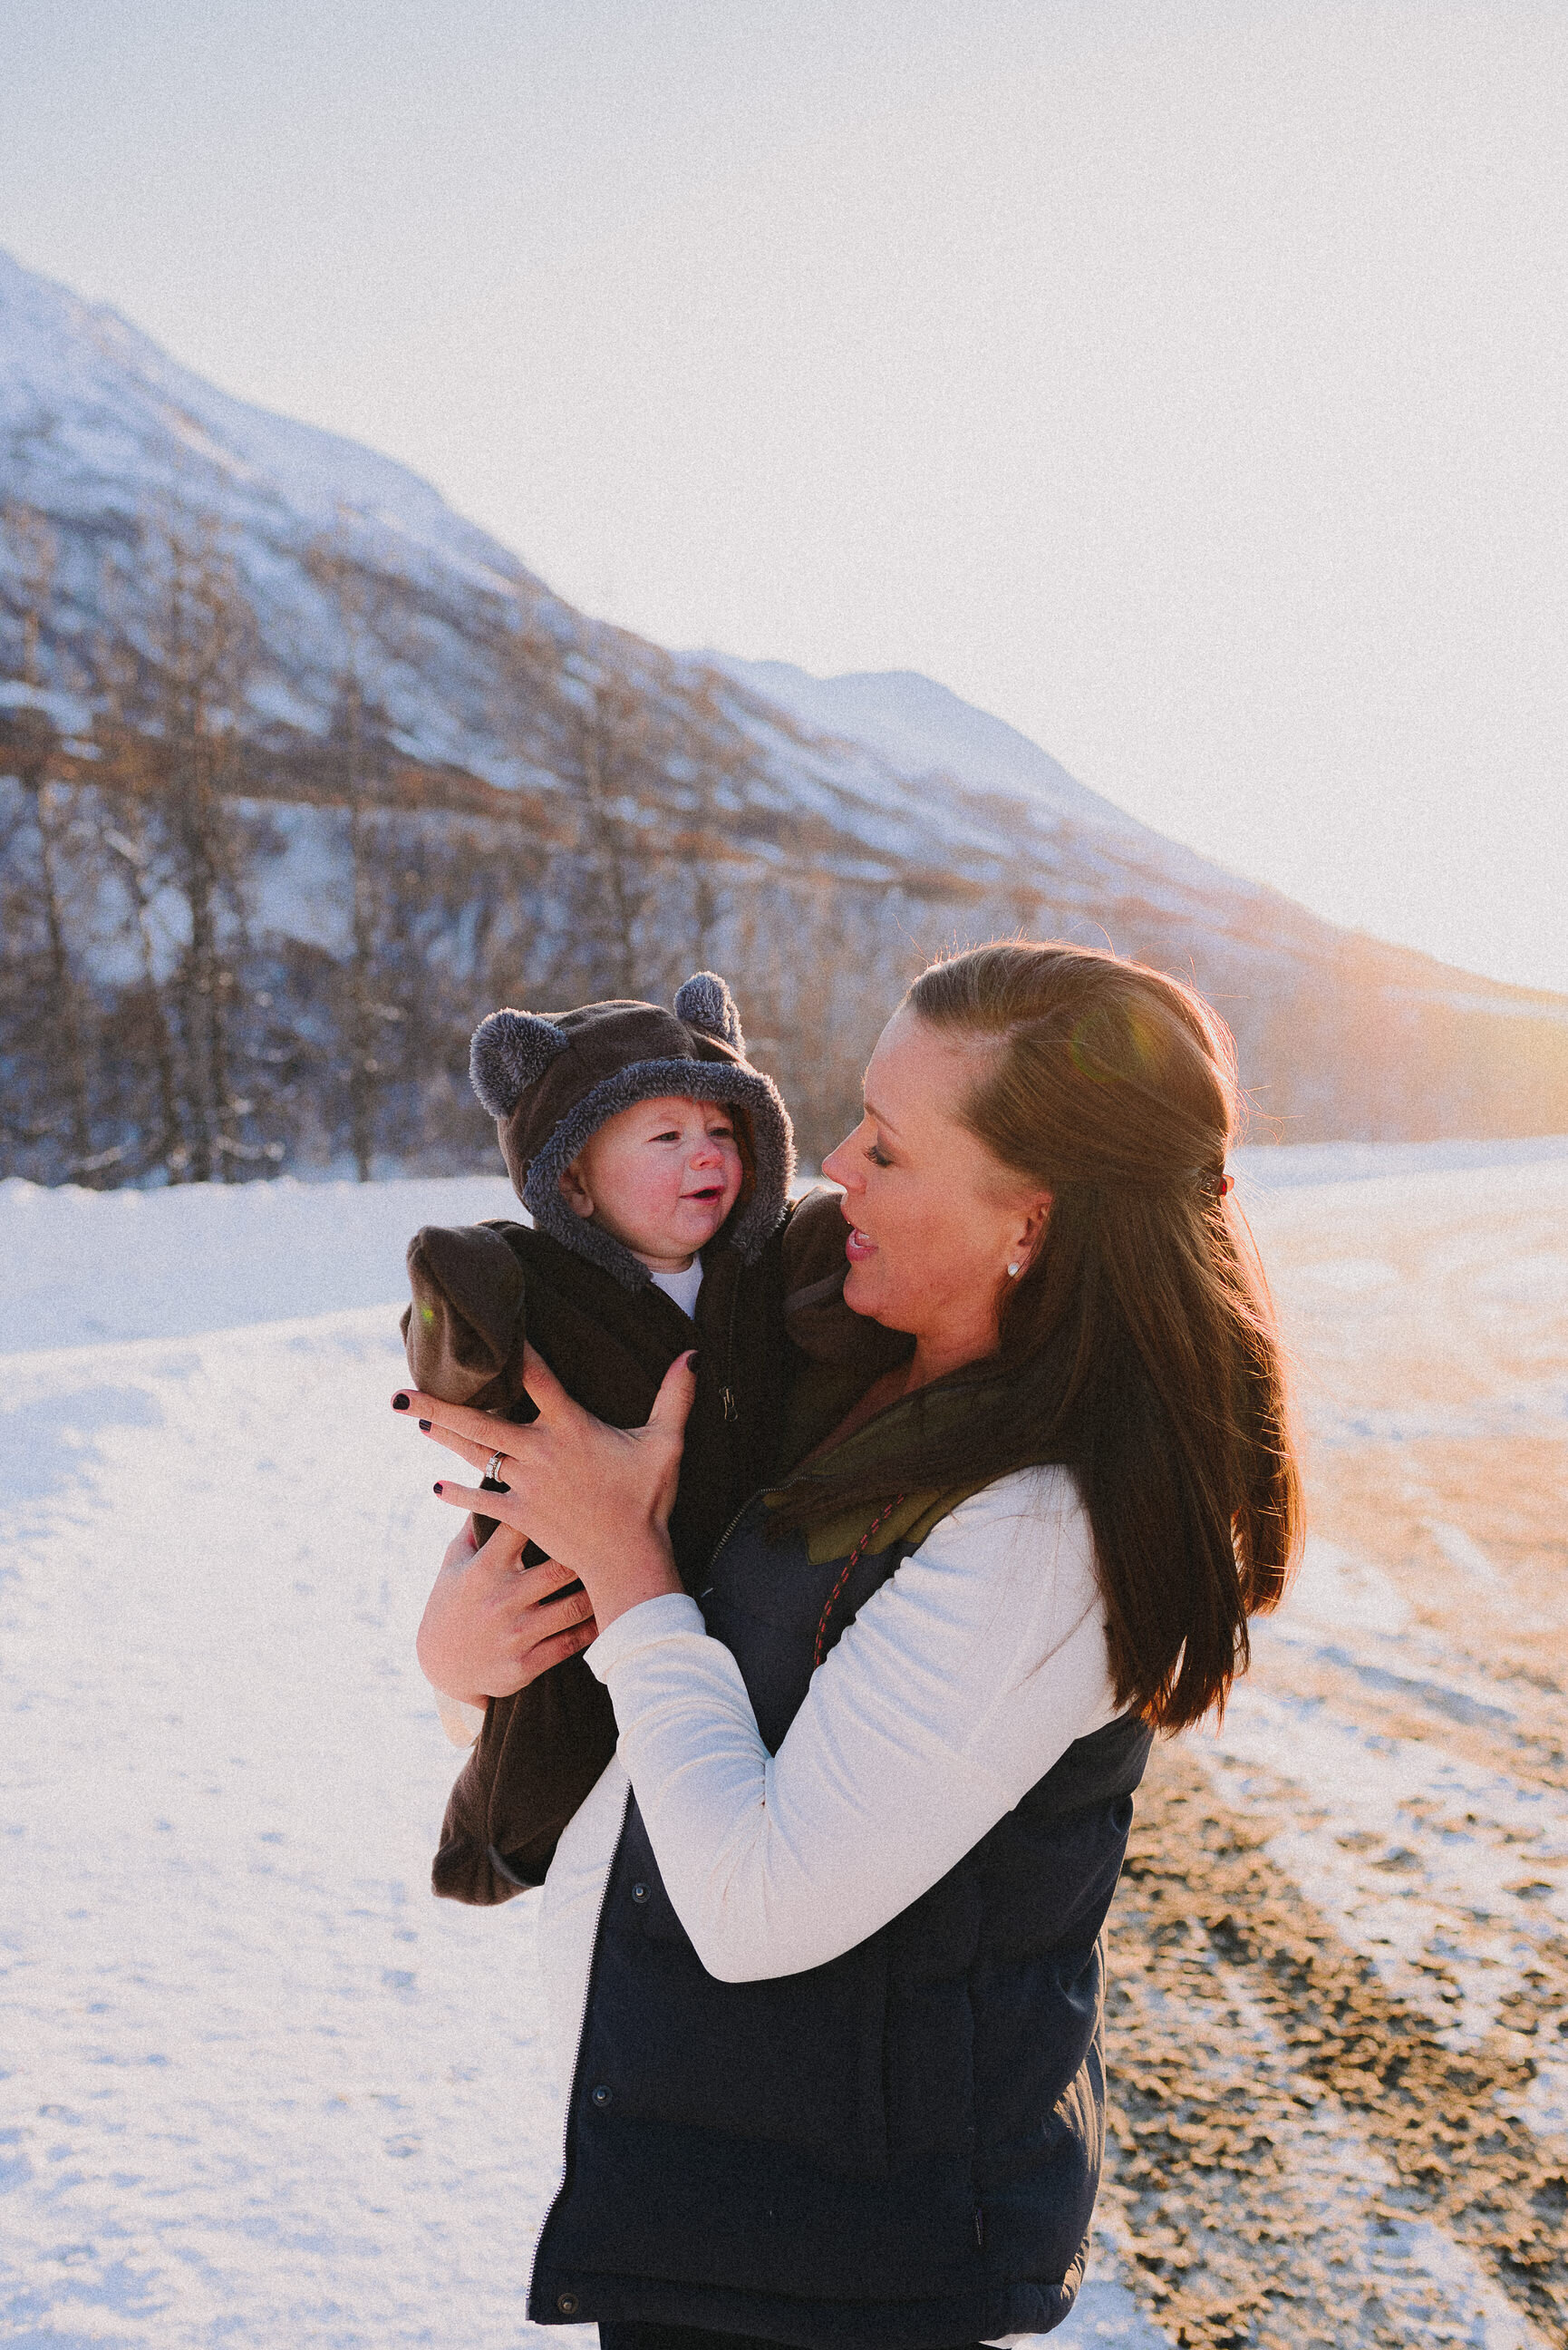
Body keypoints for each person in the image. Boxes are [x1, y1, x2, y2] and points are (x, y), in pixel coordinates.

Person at [407, 941, 1302, 2349]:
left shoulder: (1036, 1525)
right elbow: (661, 1702)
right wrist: (470, 1664)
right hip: (715, 2188)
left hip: (838, 2267)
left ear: (1034, 1220)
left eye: (886, 1145)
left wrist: (624, 1564)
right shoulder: (830, 1358)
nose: (829, 1160)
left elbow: (757, 1908)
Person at [402, 968, 887, 1901]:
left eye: (720, 1131)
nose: (703, 1155)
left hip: (732, 1572)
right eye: (664, 1137)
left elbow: (820, 1291)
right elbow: (460, 1363)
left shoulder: (759, 1265)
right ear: (572, 1183)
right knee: (555, 1724)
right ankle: (492, 1845)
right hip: (574, 1585)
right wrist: (457, 1311)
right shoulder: (539, 1282)